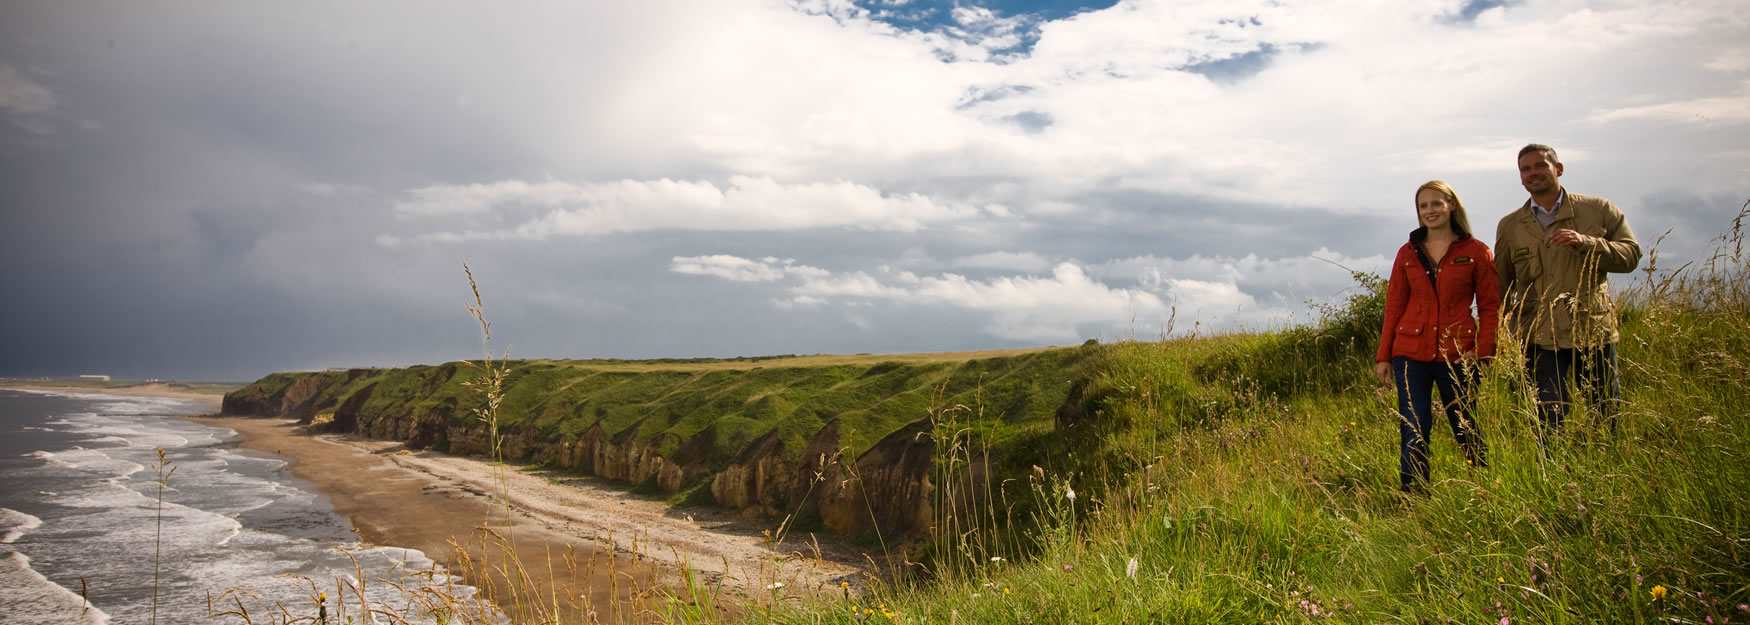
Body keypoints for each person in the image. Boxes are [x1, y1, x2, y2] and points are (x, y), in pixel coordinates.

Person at [1494, 144, 1640, 441]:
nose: (1533, 173)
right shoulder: (1510, 227)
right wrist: (1501, 331)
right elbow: (1501, 284)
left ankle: (1608, 472)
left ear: (1558, 169)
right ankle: (1555, 479)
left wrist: (1586, 242)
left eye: (1540, 166)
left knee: (1606, 412)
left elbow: (1631, 256)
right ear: (1520, 178)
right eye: (1525, 169)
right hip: (1538, 337)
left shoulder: (1598, 210)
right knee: (1547, 421)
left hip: (1592, 330)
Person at [1376, 180, 1499, 492]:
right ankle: (1414, 497)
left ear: (1451, 205)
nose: (1429, 211)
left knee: (1464, 425)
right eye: (1423, 206)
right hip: (1409, 353)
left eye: (1436, 204)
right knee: (1414, 427)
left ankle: (1484, 488)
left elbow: (1489, 306)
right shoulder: (1407, 253)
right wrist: (1384, 356)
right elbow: (1394, 306)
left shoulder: (1476, 252)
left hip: (1458, 353)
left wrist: (1483, 351)